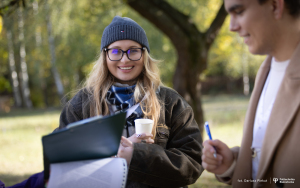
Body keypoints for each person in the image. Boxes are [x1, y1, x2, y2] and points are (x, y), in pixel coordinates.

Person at [57, 16, 203, 188]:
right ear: (105, 55)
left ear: (144, 54)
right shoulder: (81, 104)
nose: (125, 59)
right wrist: (114, 155)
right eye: (115, 51)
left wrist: (138, 155)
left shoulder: (171, 103)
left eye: (133, 50)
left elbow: (192, 165)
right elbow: (61, 161)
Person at [202, 0, 300, 187]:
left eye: (238, 11)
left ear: (275, 6)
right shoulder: (267, 70)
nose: (231, 27)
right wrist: (233, 164)